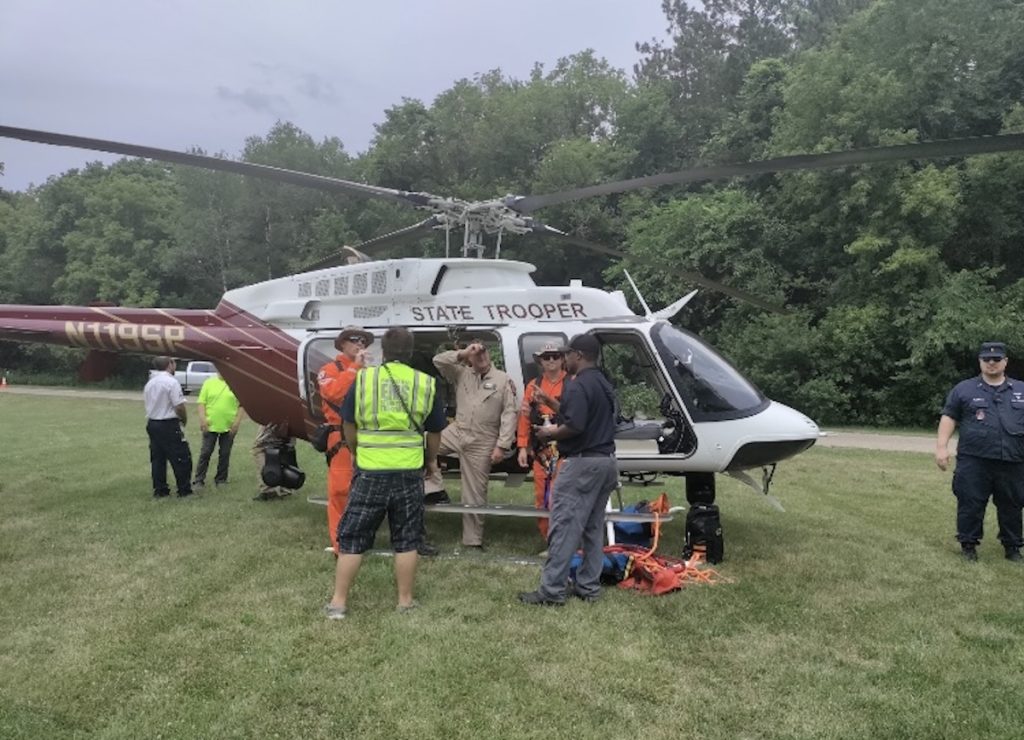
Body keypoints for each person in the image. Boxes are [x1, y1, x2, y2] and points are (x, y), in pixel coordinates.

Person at [325, 327, 445, 619]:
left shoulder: (365, 378)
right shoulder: (425, 383)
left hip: (370, 469)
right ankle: (404, 602)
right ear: (411, 350)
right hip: (408, 470)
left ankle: (338, 603)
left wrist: (354, 450)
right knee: (406, 536)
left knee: (353, 535)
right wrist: (430, 461)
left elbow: (348, 422)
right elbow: (434, 431)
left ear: (384, 351)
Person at [519, 334, 618, 606]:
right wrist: (551, 404)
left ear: (578, 355)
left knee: (563, 526)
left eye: (566, 354)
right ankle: (588, 587)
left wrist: (549, 432)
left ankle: (551, 591)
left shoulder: (575, 384)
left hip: (582, 463)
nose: (563, 359)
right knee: (592, 527)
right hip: (607, 462)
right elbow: (579, 414)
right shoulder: (602, 383)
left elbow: (574, 426)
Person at [936, 341, 1024, 562]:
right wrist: (941, 447)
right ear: (980, 361)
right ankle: (968, 545)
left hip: (1012, 460)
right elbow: (949, 417)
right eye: (986, 359)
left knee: (1012, 505)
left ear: (1005, 361)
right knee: (971, 503)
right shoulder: (964, 389)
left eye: (996, 359)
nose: (991, 363)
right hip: (974, 460)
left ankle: (1012, 547)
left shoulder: (1021, 390)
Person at [425, 340, 518, 550]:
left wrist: (501, 446)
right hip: (458, 430)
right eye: (476, 353)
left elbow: (510, 414)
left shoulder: (503, 380)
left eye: (483, 351)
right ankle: (435, 489)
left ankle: (472, 541)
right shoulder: (461, 373)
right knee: (422, 446)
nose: (481, 355)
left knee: (474, 493)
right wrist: (463, 353)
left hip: (484, 439)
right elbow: (438, 361)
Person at [318, 326, 370, 553]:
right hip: (340, 437)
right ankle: (341, 545)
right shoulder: (329, 369)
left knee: (368, 488)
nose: (360, 344)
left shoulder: (369, 372)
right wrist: (356, 368)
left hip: (368, 435)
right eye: (355, 340)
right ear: (342, 344)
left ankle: (361, 537)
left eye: (363, 341)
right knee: (341, 491)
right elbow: (334, 394)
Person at [516, 342, 568, 544]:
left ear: (563, 358)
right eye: (547, 357)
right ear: (540, 361)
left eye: (555, 356)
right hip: (541, 451)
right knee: (542, 497)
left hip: (566, 449)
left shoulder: (572, 382)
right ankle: (549, 540)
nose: (552, 360)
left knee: (560, 495)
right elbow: (524, 418)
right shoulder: (533, 385)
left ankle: (564, 541)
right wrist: (522, 446)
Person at [143, 356, 193, 498]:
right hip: (168, 423)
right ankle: (184, 490)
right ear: (170, 364)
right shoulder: (171, 382)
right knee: (181, 456)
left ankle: (160, 490)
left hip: (153, 422)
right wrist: (183, 420)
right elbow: (179, 406)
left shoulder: (150, 383)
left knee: (158, 458)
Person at [192, 372, 243, 488]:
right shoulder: (209, 383)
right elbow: (201, 403)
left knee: (225, 453)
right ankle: (199, 480)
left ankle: (221, 479)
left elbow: (241, 405)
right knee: (206, 452)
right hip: (210, 425)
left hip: (229, 425)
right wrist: (202, 419)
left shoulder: (236, 384)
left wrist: (237, 422)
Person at [252, 423, 295, 501]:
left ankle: (269, 489)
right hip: (292, 420)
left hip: (273, 419)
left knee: (260, 448)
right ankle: (285, 487)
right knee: (285, 447)